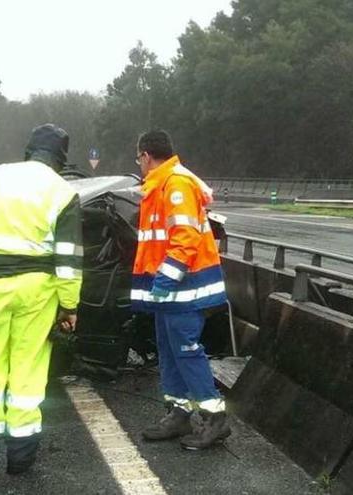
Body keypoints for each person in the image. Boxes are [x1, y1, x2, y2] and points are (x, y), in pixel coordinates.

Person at [0, 123, 83, 479]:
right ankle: (21, 461)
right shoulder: (62, 191)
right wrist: (69, 307)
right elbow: (69, 258)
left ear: (29, 150)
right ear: (60, 158)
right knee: (27, 375)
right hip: (38, 290)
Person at [131, 129, 231, 450]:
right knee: (169, 351)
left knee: (186, 352)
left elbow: (184, 239)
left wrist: (163, 281)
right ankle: (179, 413)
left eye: (139, 158)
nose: (139, 164)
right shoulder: (160, 185)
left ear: (146, 156)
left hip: (186, 290)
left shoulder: (175, 185)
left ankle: (214, 418)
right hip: (171, 292)